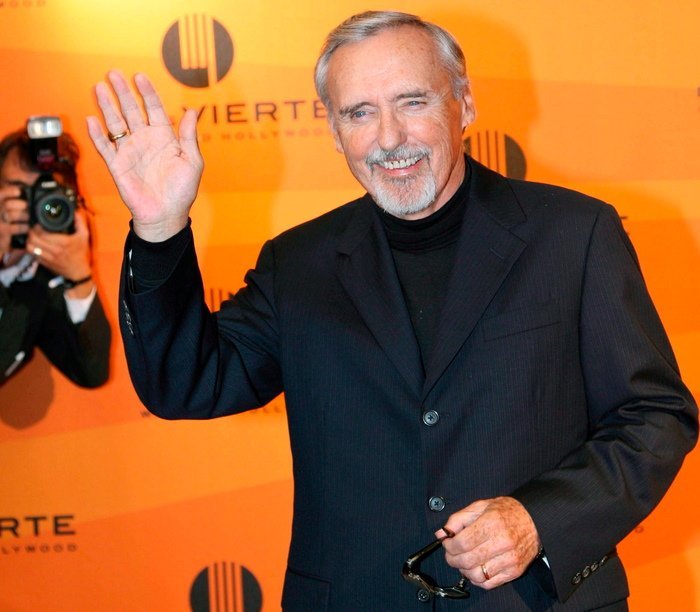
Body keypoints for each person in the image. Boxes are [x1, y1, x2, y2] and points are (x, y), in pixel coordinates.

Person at [87, 11, 697, 611]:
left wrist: (538, 519)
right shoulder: (298, 264)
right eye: (359, 113)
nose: (388, 138)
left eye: (412, 102)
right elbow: (187, 384)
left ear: (465, 104)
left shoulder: (573, 234)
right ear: (334, 131)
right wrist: (160, 229)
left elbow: (655, 415)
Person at [0, 125, 110, 386]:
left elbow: (91, 373)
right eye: (20, 191)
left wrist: (79, 278)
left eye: (45, 195)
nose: (31, 206)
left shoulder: (41, 279)